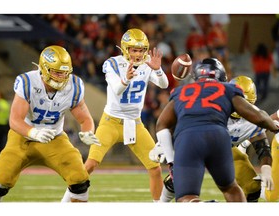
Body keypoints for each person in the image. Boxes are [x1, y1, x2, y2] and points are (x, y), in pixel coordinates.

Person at [61, 28, 168, 202]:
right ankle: (64, 203)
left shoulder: (147, 63)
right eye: (134, 49)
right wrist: (125, 79)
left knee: (155, 168)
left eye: (141, 50)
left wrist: (157, 70)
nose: (139, 54)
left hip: (135, 123)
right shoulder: (113, 64)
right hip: (111, 122)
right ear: (126, 49)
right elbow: (117, 89)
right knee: (90, 165)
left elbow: (163, 84)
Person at [152, 58, 279, 202]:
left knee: (186, 193)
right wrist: (274, 126)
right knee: (230, 187)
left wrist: (169, 154)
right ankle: (161, 203)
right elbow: (261, 118)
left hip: (192, 139)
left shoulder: (182, 91)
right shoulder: (229, 91)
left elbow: (164, 124)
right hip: (219, 140)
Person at [0, 45, 99, 202]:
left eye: (65, 72)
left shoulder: (74, 86)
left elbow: (85, 118)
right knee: (1, 181)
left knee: (80, 179)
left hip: (54, 138)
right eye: (57, 72)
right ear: (44, 69)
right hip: (23, 138)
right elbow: (15, 120)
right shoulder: (28, 82)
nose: (62, 77)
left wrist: (88, 131)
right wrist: (34, 132)